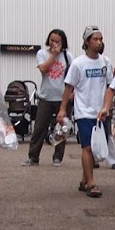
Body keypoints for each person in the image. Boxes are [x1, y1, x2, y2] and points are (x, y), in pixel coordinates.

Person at [58, 25, 113, 197]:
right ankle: (91, 183)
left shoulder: (106, 62)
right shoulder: (78, 64)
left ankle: (84, 179)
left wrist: (107, 106)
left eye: (101, 39)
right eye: (95, 39)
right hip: (84, 112)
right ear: (87, 42)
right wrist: (62, 110)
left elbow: (110, 87)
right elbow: (68, 87)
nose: (99, 42)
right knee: (87, 147)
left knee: (96, 148)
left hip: (101, 112)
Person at [24, 28, 70, 166]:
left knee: (61, 129)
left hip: (62, 98)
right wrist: (53, 55)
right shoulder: (42, 53)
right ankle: (33, 157)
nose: (53, 43)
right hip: (46, 97)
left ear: (63, 42)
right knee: (39, 127)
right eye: (51, 40)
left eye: (57, 41)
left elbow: (73, 76)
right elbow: (43, 69)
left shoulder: (68, 56)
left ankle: (58, 157)